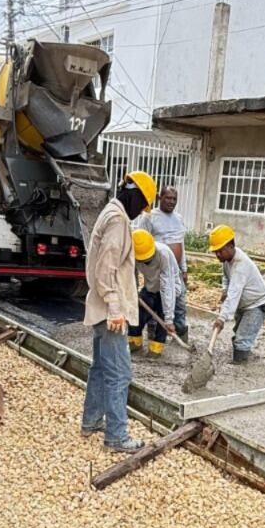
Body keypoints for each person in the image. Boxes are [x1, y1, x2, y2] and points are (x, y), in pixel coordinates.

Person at [81, 169, 156, 451]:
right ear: (134, 195)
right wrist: (115, 307)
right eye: (143, 205)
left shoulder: (111, 213)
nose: (141, 213)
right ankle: (116, 436)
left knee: (101, 368)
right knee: (119, 373)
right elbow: (105, 269)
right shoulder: (117, 220)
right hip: (110, 310)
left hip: (101, 307)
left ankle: (91, 420)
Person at [208, 225, 265, 363]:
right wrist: (224, 290)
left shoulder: (240, 265)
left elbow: (234, 295)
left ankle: (241, 364)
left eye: (220, 251)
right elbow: (226, 277)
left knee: (242, 340)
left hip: (257, 304)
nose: (217, 255)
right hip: (245, 304)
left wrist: (221, 319)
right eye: (215, 252)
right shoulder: (227, 260)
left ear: (231, 246)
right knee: (238, 333)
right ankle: (243, 356)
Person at [137, 185, 189, 338]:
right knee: (155, 300)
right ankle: (153, 330)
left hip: (176, 269)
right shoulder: (149, 217)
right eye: (168, 198)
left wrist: (184, 268)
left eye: (174, 199)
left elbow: (181, 244)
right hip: (156, 269)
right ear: (160, 198)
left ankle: (179, 332)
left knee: (179, 301)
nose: (171, 201)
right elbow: (140, 240)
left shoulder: (178, 218)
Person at [129, 229, 181, 356]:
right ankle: (135, 343)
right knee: (137, 313)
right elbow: (130, 273)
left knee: (163, 320)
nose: (145, 262)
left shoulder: (163, 254)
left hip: (170, 289)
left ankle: (156, 348)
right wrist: (132, 292)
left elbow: (167, 285)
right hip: (150, 287)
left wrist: (169, 319)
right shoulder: (132, 253)